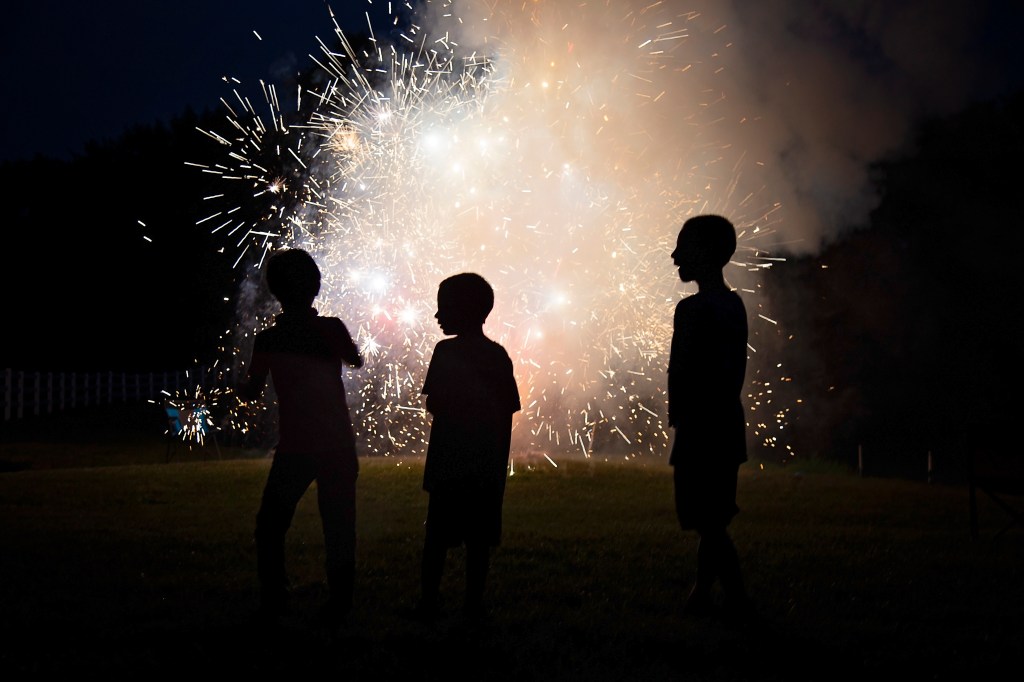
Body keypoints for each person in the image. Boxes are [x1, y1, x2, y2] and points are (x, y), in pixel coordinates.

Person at [238, 248, 364, 629]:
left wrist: (236, 390)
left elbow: (251, 391)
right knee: (339, 524)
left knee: (271, 524)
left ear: (275, 291)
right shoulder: (331, 328)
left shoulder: (269, 339)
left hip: (295, 448)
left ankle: (275, 596)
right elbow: (356, 360)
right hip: (338, 446)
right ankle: (341, 600)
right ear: (316, 286)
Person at [413, 272, 521, 623]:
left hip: (448, 460)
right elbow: (507, 409)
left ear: (463, 309)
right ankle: (473, 604)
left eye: (444, 307)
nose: (437, 315)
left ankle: (429, 601)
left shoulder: (445, 351)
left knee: (437, 536)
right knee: (478, 540)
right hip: (486, 464)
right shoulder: (498, 355)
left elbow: (435, 404)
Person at [667, 214, 753, 620]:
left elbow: (680, 371)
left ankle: (736, 598)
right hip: (727, 423)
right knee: (713, 517)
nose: (674, 255)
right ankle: (701, 593)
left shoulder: (692, 310)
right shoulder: (734, 305)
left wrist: (679, 419)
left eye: (682, 247)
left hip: (700, 426)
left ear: (703, 253)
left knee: (708, 521)